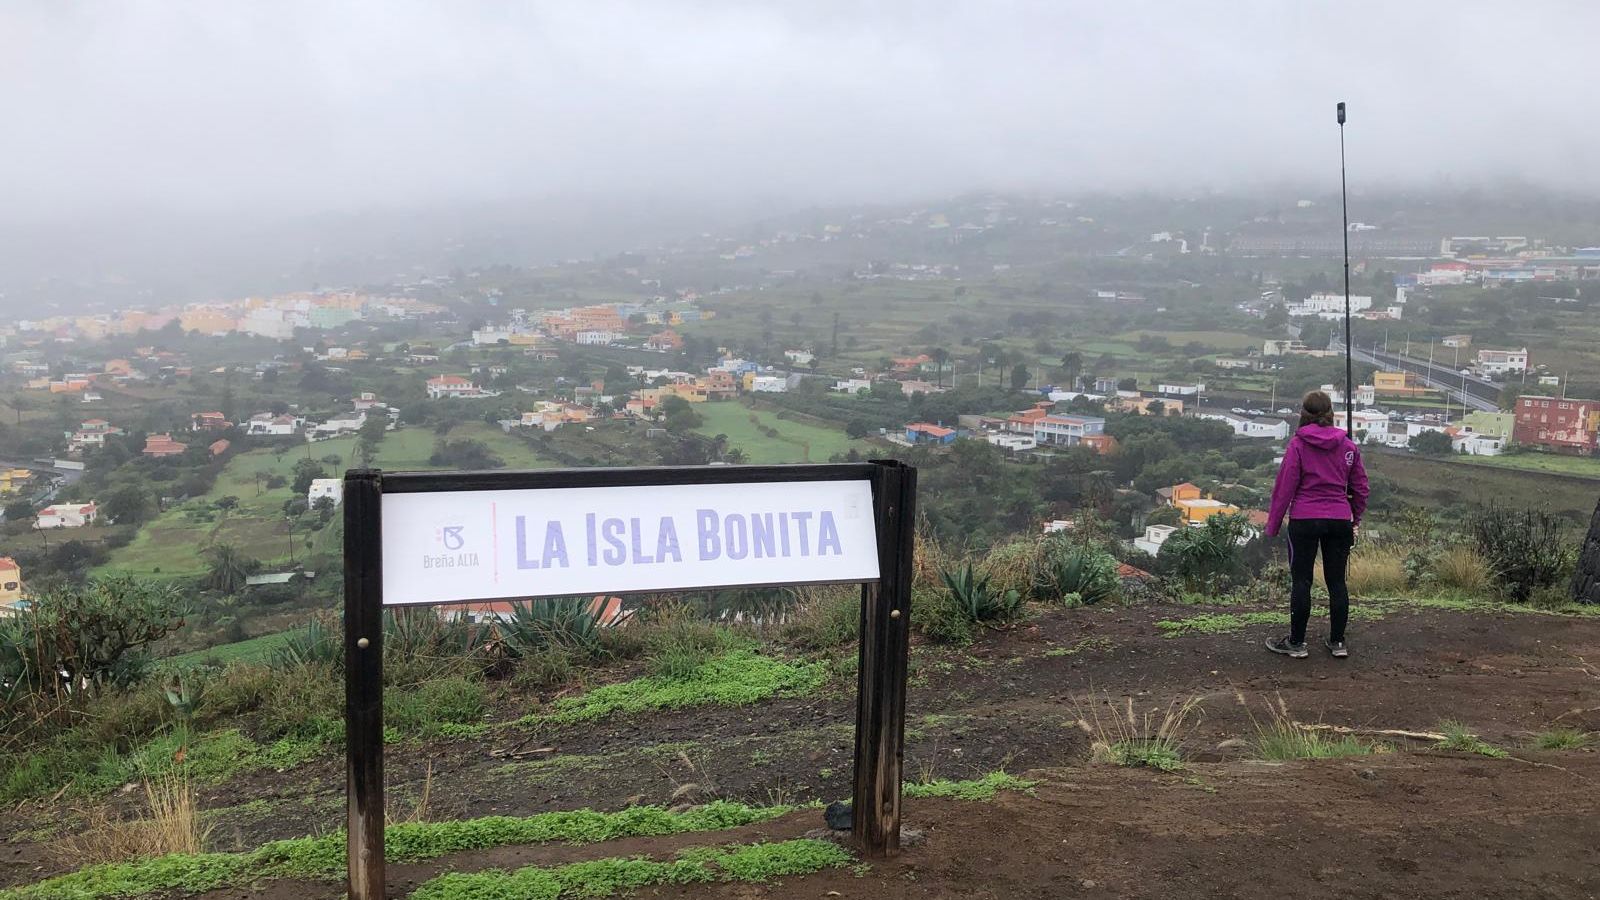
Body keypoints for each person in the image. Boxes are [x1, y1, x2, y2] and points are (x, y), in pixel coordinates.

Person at [1263, 390, 1370, 659]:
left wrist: (1273, 526)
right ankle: (1338, 643)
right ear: (1330, 413)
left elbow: (1284, 488)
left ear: (1303, 413)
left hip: (1305, 519)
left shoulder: (1298, 445)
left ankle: (1297, 643)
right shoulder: (1348, 446)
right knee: (1337, 582)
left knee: (1302, 581)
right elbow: (1361, 488)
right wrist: (1354, 518)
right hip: (1338, 519)